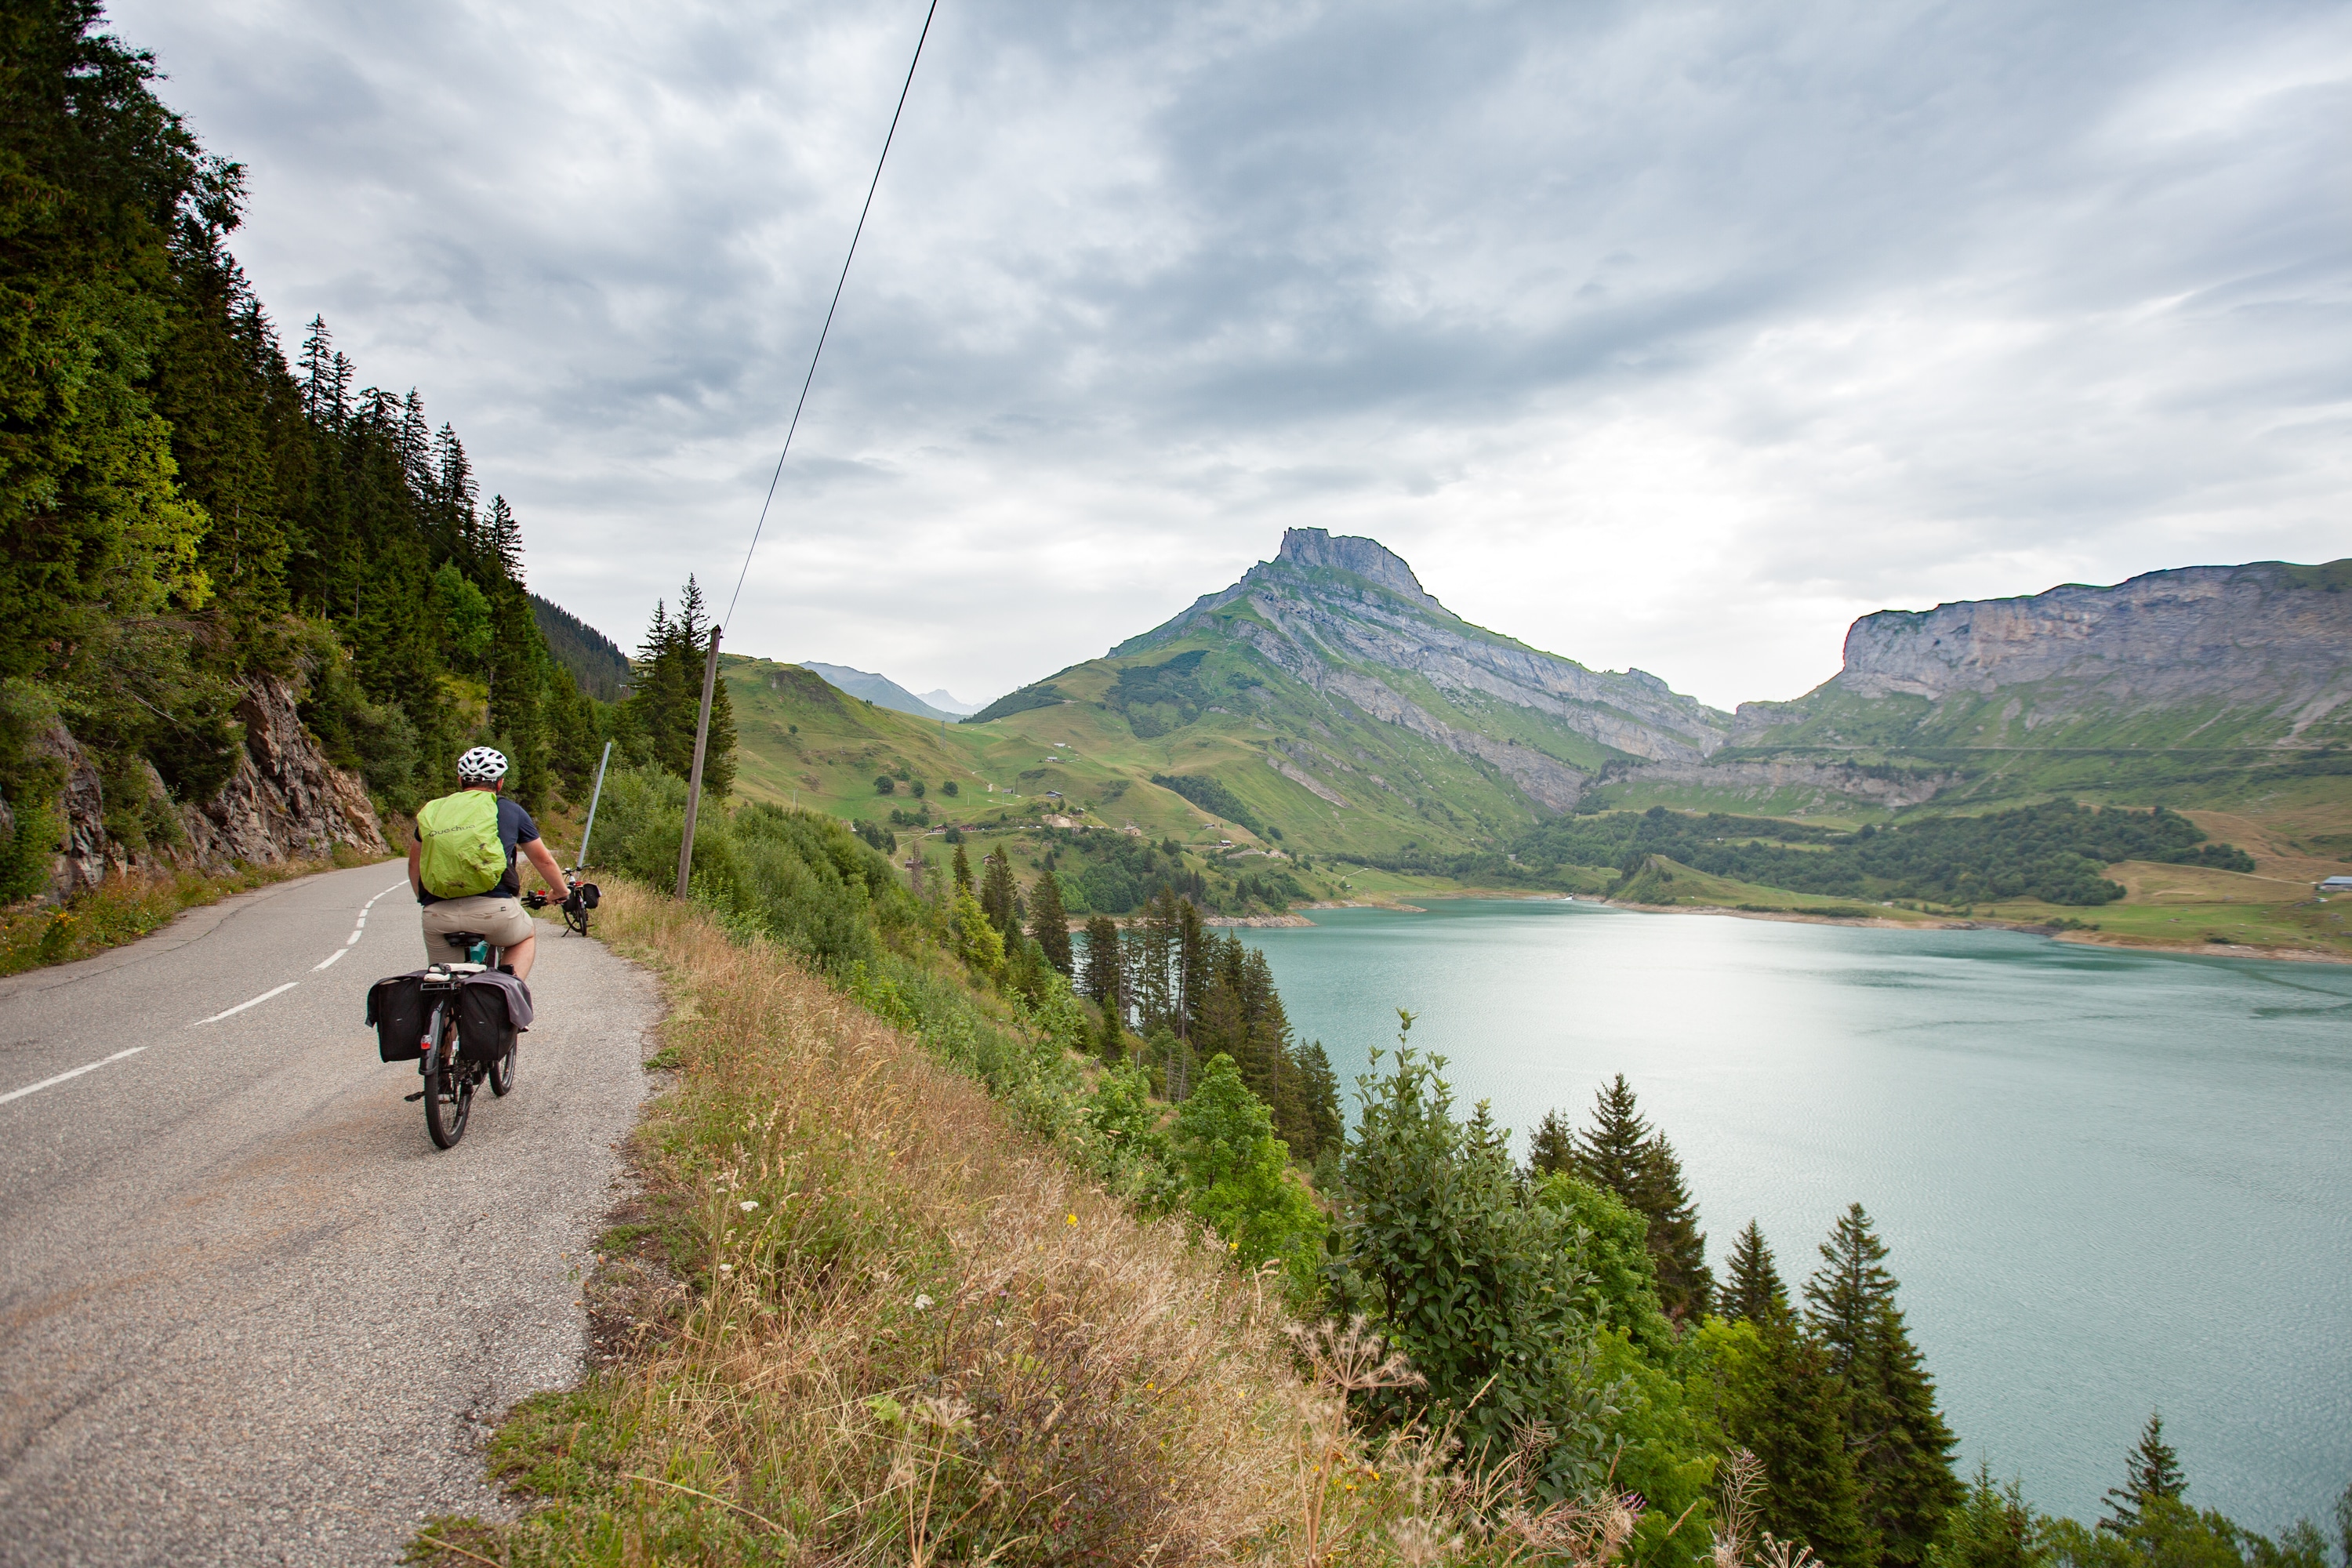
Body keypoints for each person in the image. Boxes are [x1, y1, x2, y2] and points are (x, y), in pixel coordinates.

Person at [409, 746, 572, 979]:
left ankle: (444, 1014)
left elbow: (414, 865)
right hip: (494, 912)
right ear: (499, 784)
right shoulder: (509, 810)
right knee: (525, 936)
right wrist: (560, 890)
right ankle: (506, 993)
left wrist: (425, 900)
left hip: (437, 915)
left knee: (446, 982)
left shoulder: (435, 810)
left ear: (460, 781)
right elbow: (543, 860)